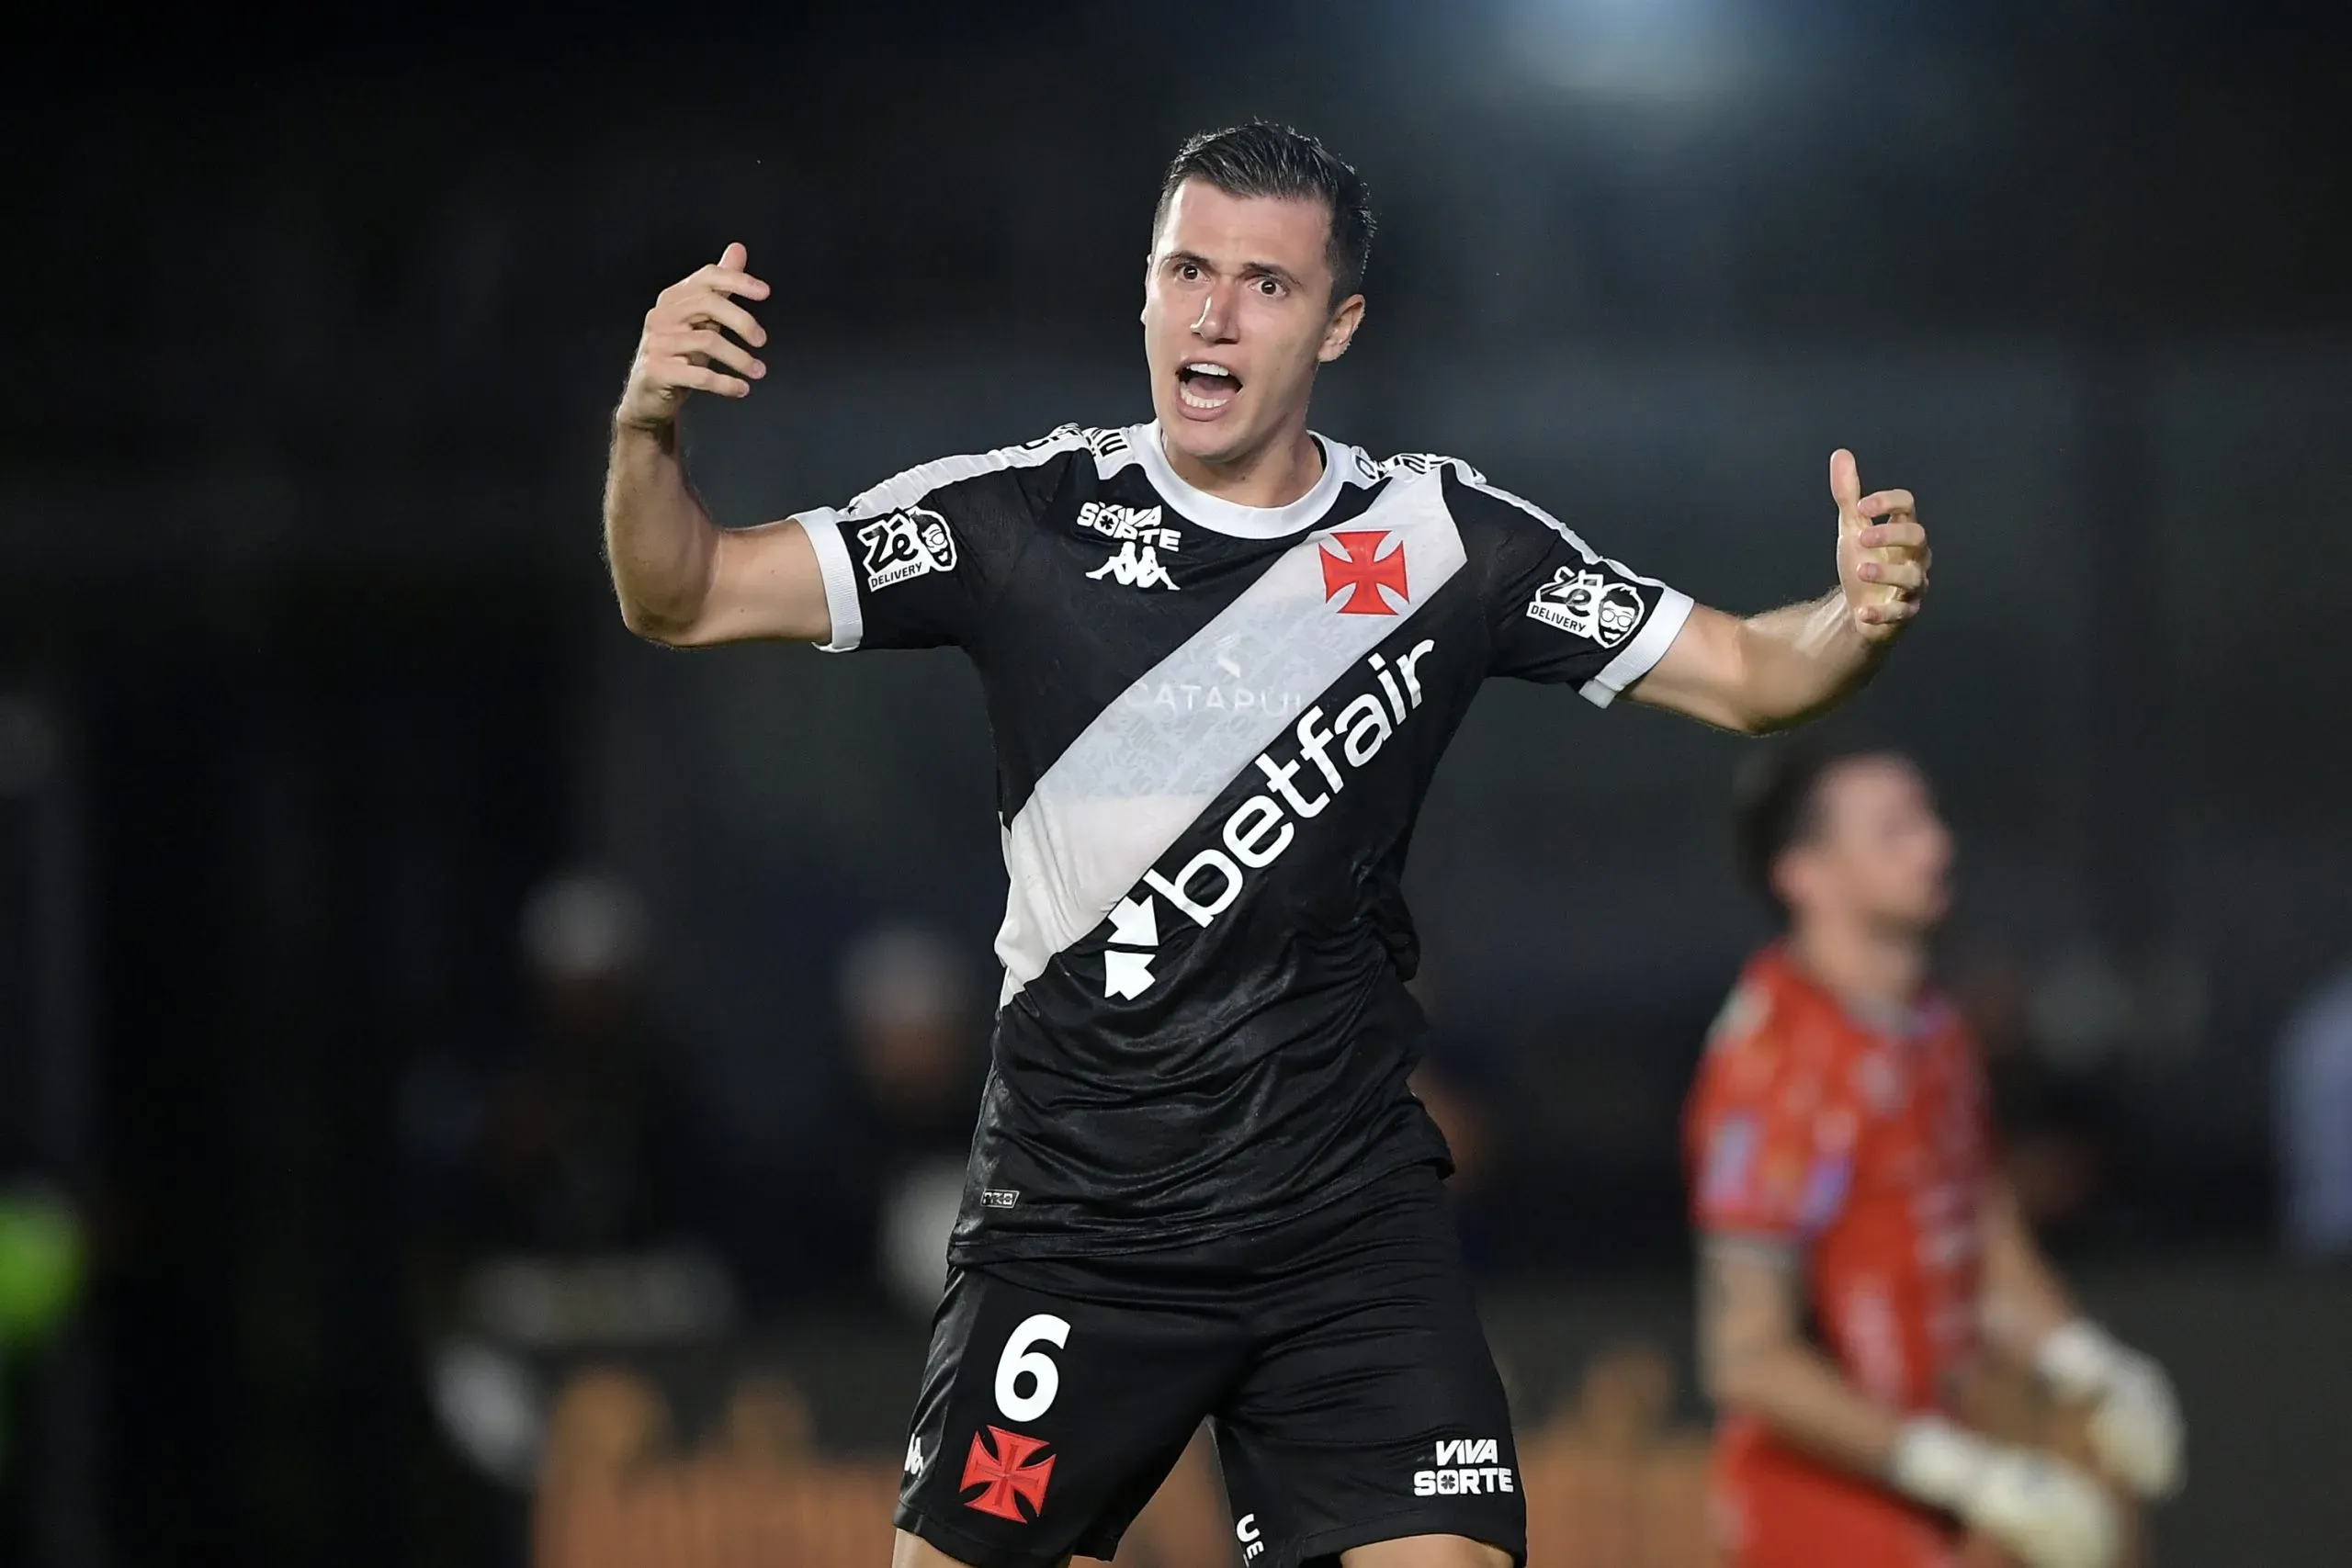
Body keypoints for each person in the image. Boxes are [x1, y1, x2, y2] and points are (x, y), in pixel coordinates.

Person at [605, 121, 1933, 1568]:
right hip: (1081, 1220)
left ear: (1339, 322)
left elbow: (1749, 673)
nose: (1213, 313)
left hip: (1341, 1222)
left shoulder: (1439, 541)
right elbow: (684, 592)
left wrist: (1851, 617)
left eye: (1265, 283)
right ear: (1147, 289)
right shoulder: (1020, 521)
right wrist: (644, 427)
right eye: (1185, 269)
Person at [1684, 748, 2185, 1568]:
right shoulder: (1773, 1066)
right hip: (1816, 1515)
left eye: (1929, 818)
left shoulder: (1935, 1031)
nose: (1936, 846)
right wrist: (1959, 1471)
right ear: (1803, 873)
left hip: (1934, 1497)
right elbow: (1748, 1358)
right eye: (1894, 830)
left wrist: (2087, 1363)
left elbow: (1980, 1226)